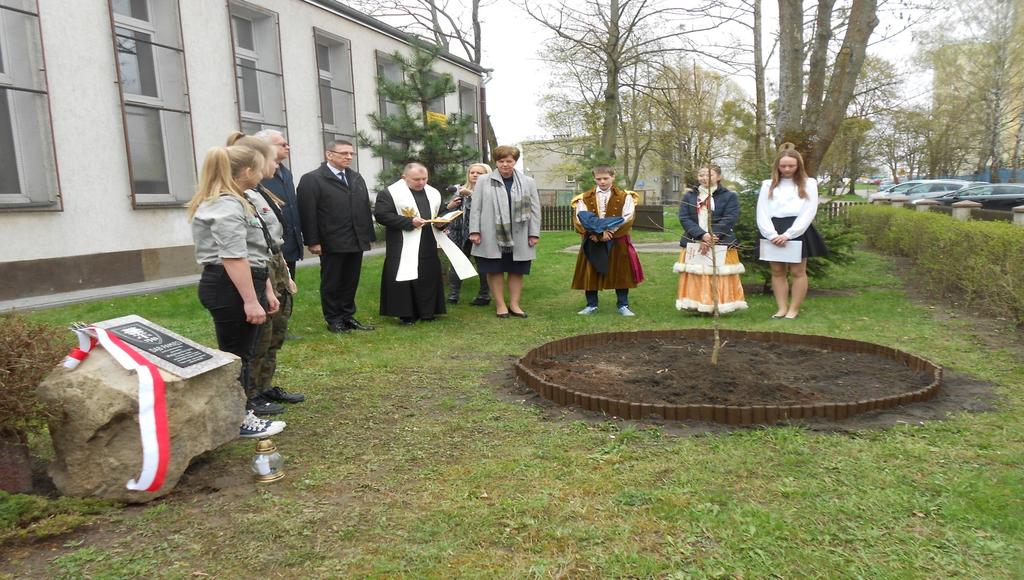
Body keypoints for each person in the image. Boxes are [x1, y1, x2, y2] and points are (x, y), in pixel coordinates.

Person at [187, 144, 285, 438]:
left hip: (246, 281)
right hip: (229, 286)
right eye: (259, 167)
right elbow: (233, 257)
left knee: (246, 353)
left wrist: (265, 290)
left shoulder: (239, 200)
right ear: (247, 171)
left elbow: (255, 253)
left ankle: (242, 412)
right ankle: (237, 419)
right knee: (236, 356)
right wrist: (250, 301)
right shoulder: (225, 205)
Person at [225, 132, 306, 412]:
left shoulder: (259, 191)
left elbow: (271, 236)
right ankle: (251, 394)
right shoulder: (240, 195)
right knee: (260, 336)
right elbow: (246, 244)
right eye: (272, 159)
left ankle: (264, 385)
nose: (274, 166)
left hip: (273, 263)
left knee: (275, 333)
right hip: (260, 266)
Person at [374, 163, 477, 324]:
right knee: (404, 276)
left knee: (427, 275)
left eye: (424, 178)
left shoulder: (432, 192)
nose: (421, 182)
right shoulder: (390, 193)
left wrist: (443, 222)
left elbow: (440, 212)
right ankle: (406, 314)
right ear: (404, 178)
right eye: (416, 179)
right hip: (402, 241)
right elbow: (382, 215)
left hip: (427, 240)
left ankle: (428, 311)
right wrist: (409, 221)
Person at [297, 140, 376, 333]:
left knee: (351, 280)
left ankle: (348, 316)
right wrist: (313, 241)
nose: (348, 157)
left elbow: (364, 208)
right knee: (333, 281)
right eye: (343, 153)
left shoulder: (356, 178)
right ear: (329, 154)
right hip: (331, 240)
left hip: (355, 239)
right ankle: (334, 319)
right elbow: (308, 212)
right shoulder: (313, 179)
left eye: (351, 153)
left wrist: (367, 236)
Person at [756, 144, 828, 319]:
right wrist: (771, 234)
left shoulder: (809, 183)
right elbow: (762, 211)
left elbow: (809, 210)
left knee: (798, 271)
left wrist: (790, 234)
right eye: (783, 166)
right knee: (777, 271)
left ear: (798, 166)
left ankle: (793, 309)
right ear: (777, 166)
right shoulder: (768, 184)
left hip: (797, 229)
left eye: (791, 166)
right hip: (772, 230)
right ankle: (781, 308)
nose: (787, 169)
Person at [468, 146, 541, 318]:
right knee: (495, 269)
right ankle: (500, 305)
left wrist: (534, 233)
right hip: (491, 234)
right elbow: (476, 208)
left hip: (520, 233)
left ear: (515, 161)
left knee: (517, 270)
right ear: (496, 162)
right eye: (501, 161)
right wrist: (475, 231)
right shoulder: (483, 181)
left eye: (509, 161)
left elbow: (535, 209)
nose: (505, 164)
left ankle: (515, 304)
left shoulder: (528, 182)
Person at [570, 165, 644, 316]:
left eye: (606, 178)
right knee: (590, 271)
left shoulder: (625, 197)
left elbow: (628, 217)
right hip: (593, 240)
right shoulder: (584, 198)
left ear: (613, 177)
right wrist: (596, 234)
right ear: (594, 179)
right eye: (599, 179)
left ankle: (623, 305)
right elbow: (580, 218)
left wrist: (609, 231)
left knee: (620, 271)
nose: (602, 182)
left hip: (616, 239)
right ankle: (591, 304)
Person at [674, 164, 748, 314]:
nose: (704, 178)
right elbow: (684, 217)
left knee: (719, 275)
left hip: (721, 241)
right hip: (694, 240)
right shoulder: (689, 196)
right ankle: (696, 305)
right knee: (697, 273)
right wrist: (701, 235)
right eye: (701, 175)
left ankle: (720, 305)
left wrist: (712, 236)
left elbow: (730, 218)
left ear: (718, 177)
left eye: (709, 175)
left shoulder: (729, 196)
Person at [255, 130, 303, 278]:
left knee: (287, 290)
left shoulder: (285, 172)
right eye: (283, 144)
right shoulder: (258, 172)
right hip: (269, 245)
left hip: (289, 241)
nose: (288, 147)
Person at [443, 163, 492, 306]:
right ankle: (453, 295)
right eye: (472, 172)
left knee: (482, 265)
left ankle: (484, 296)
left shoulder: (490, 190)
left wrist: (471, 195)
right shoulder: (459, 190)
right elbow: (449, 211)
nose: (475, 175)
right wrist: (450, 205)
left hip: (481, 233)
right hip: (458, 233)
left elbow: (488, 208)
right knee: (457, 263)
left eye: (479, 173)